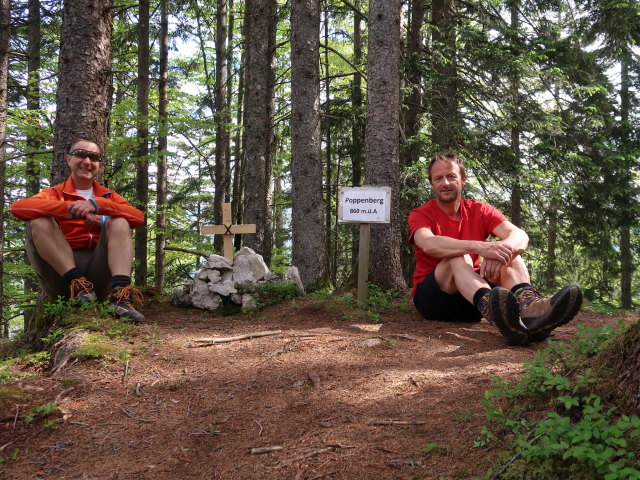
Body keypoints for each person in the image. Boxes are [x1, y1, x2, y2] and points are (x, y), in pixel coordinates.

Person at [408, 152, 582, 345]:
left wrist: (499, 252)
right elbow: (428, 244)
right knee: (458, 257)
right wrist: (480, 247)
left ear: (463, 180)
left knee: (510, 254)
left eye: (451, 176)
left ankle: (530, 312)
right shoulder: (421, 214)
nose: (445, 183)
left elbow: (520, 236)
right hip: (433, 301)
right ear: (432, 184)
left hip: (471, 303)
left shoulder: (479, 210)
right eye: (438, 178)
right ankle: (491, 306)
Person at [10, 139, 146, 323]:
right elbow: (19, 208)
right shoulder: (54, 194)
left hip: (100, 273)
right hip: (62, 279)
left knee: (120, 220)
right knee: (39, 218)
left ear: (99, 164)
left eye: (94, 157)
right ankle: (78, 285)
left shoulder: (108, 196)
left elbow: (137, 217)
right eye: (81, 154)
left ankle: (120, 297)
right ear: (68, 159)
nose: (87, 162)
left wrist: (97, 207)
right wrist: (70, 210)